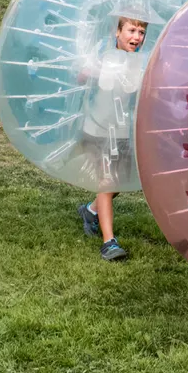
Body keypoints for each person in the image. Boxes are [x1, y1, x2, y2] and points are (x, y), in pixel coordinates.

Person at [77, 15, 147, 261]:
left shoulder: (139, 63)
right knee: (106, 183)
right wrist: (89, 72)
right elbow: (80, 78)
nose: (136, 37)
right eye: (131, 30)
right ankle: (109, 243)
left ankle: (90, 210)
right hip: (96, 131)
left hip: (120, 132)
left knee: (117, 185)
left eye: (141, 32)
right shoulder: (104, 57)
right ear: (117, 32)